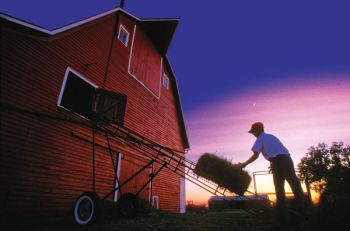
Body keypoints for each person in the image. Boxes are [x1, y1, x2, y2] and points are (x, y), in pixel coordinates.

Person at [238, 122, 305, 226]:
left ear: (258, 130)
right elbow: (277, 151)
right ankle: (305, 212)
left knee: (279, 190)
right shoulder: (271, 136)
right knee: (295, 185)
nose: (253, 134)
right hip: (287, 159)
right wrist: (272, 164)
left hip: (278, 161)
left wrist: (245, 164)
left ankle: (282, 220)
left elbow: (256, 155)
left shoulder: (260, 139)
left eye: (253, 132)